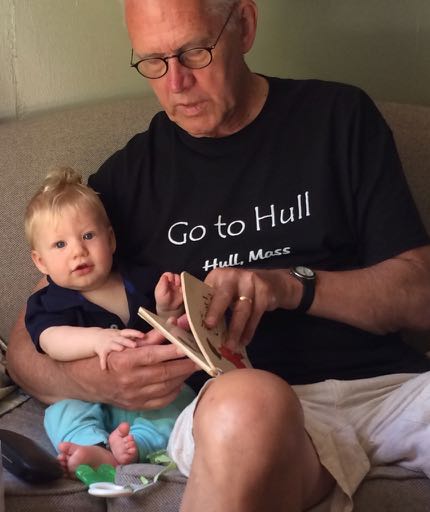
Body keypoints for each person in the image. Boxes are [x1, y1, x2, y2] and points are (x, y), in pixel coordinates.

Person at [7, 0, 430, 510]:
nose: (176, 83)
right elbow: (26, 341)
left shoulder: (338, 118)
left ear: (244, 27)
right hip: (244, 409)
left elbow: (420, 297)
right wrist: (94, 381)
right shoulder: (129, 179)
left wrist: (290, 285)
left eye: (194, 51)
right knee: (246, 405)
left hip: (393, 391)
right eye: (153, 61)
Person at [23, 167, 195, 476]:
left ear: (111, 239)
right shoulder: (49, 302)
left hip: (150, 394)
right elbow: (51, 341)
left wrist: (166, 309)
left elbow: (163, 335)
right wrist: (96, 340)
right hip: (89, 397)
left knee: (182, 399)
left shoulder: (141, 280)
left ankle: (135, 445)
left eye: (88, 236)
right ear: (40, 261)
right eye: (60, 245)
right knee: (61, 412)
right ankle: (93, 447)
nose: (78, 251)